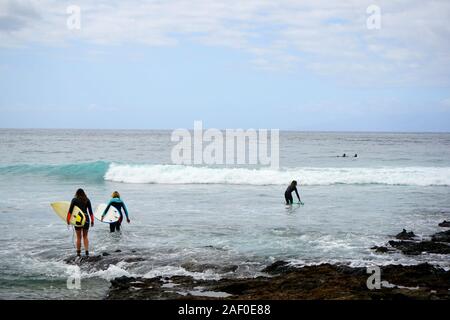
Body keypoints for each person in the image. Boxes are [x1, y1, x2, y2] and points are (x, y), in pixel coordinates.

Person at [67, 188, 94, 257]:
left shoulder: (74, 200)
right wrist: (92, 220)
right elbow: (90, 212)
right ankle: (86, 252)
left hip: (78, 219)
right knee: (85, 236)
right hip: (86, 219)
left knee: (79, 237)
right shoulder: (87, 200)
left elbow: (70, 211)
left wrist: (68, 219)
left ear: (77, 193)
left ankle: (78, 253)